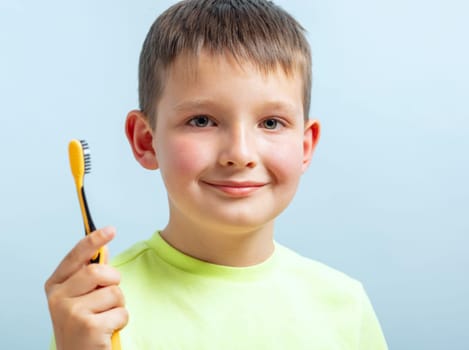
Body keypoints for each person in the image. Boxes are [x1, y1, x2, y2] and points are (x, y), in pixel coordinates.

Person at [45, 0, 388, 349]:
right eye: (202, 121)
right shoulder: (100, 312)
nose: (239, 154)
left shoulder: (345, 307)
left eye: (271, 122)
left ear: (305, 145)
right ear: (146, 140)